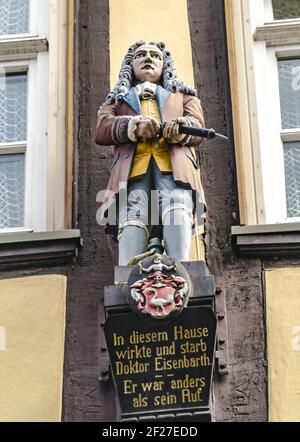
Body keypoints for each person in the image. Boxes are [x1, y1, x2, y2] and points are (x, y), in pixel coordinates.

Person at [95, 40, 205, 266]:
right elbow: (102, 129)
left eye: (155, 55)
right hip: (133, 170)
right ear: (130, 65)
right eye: (141, 55)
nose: (148, 58)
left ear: (165, 66)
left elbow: (199, 127)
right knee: (132, 213)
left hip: (173, 167)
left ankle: (179, 267)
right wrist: (131, 126)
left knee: (177, 205)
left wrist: (181, 127)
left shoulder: (183, 96)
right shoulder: (118, 99)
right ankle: (129, 273)